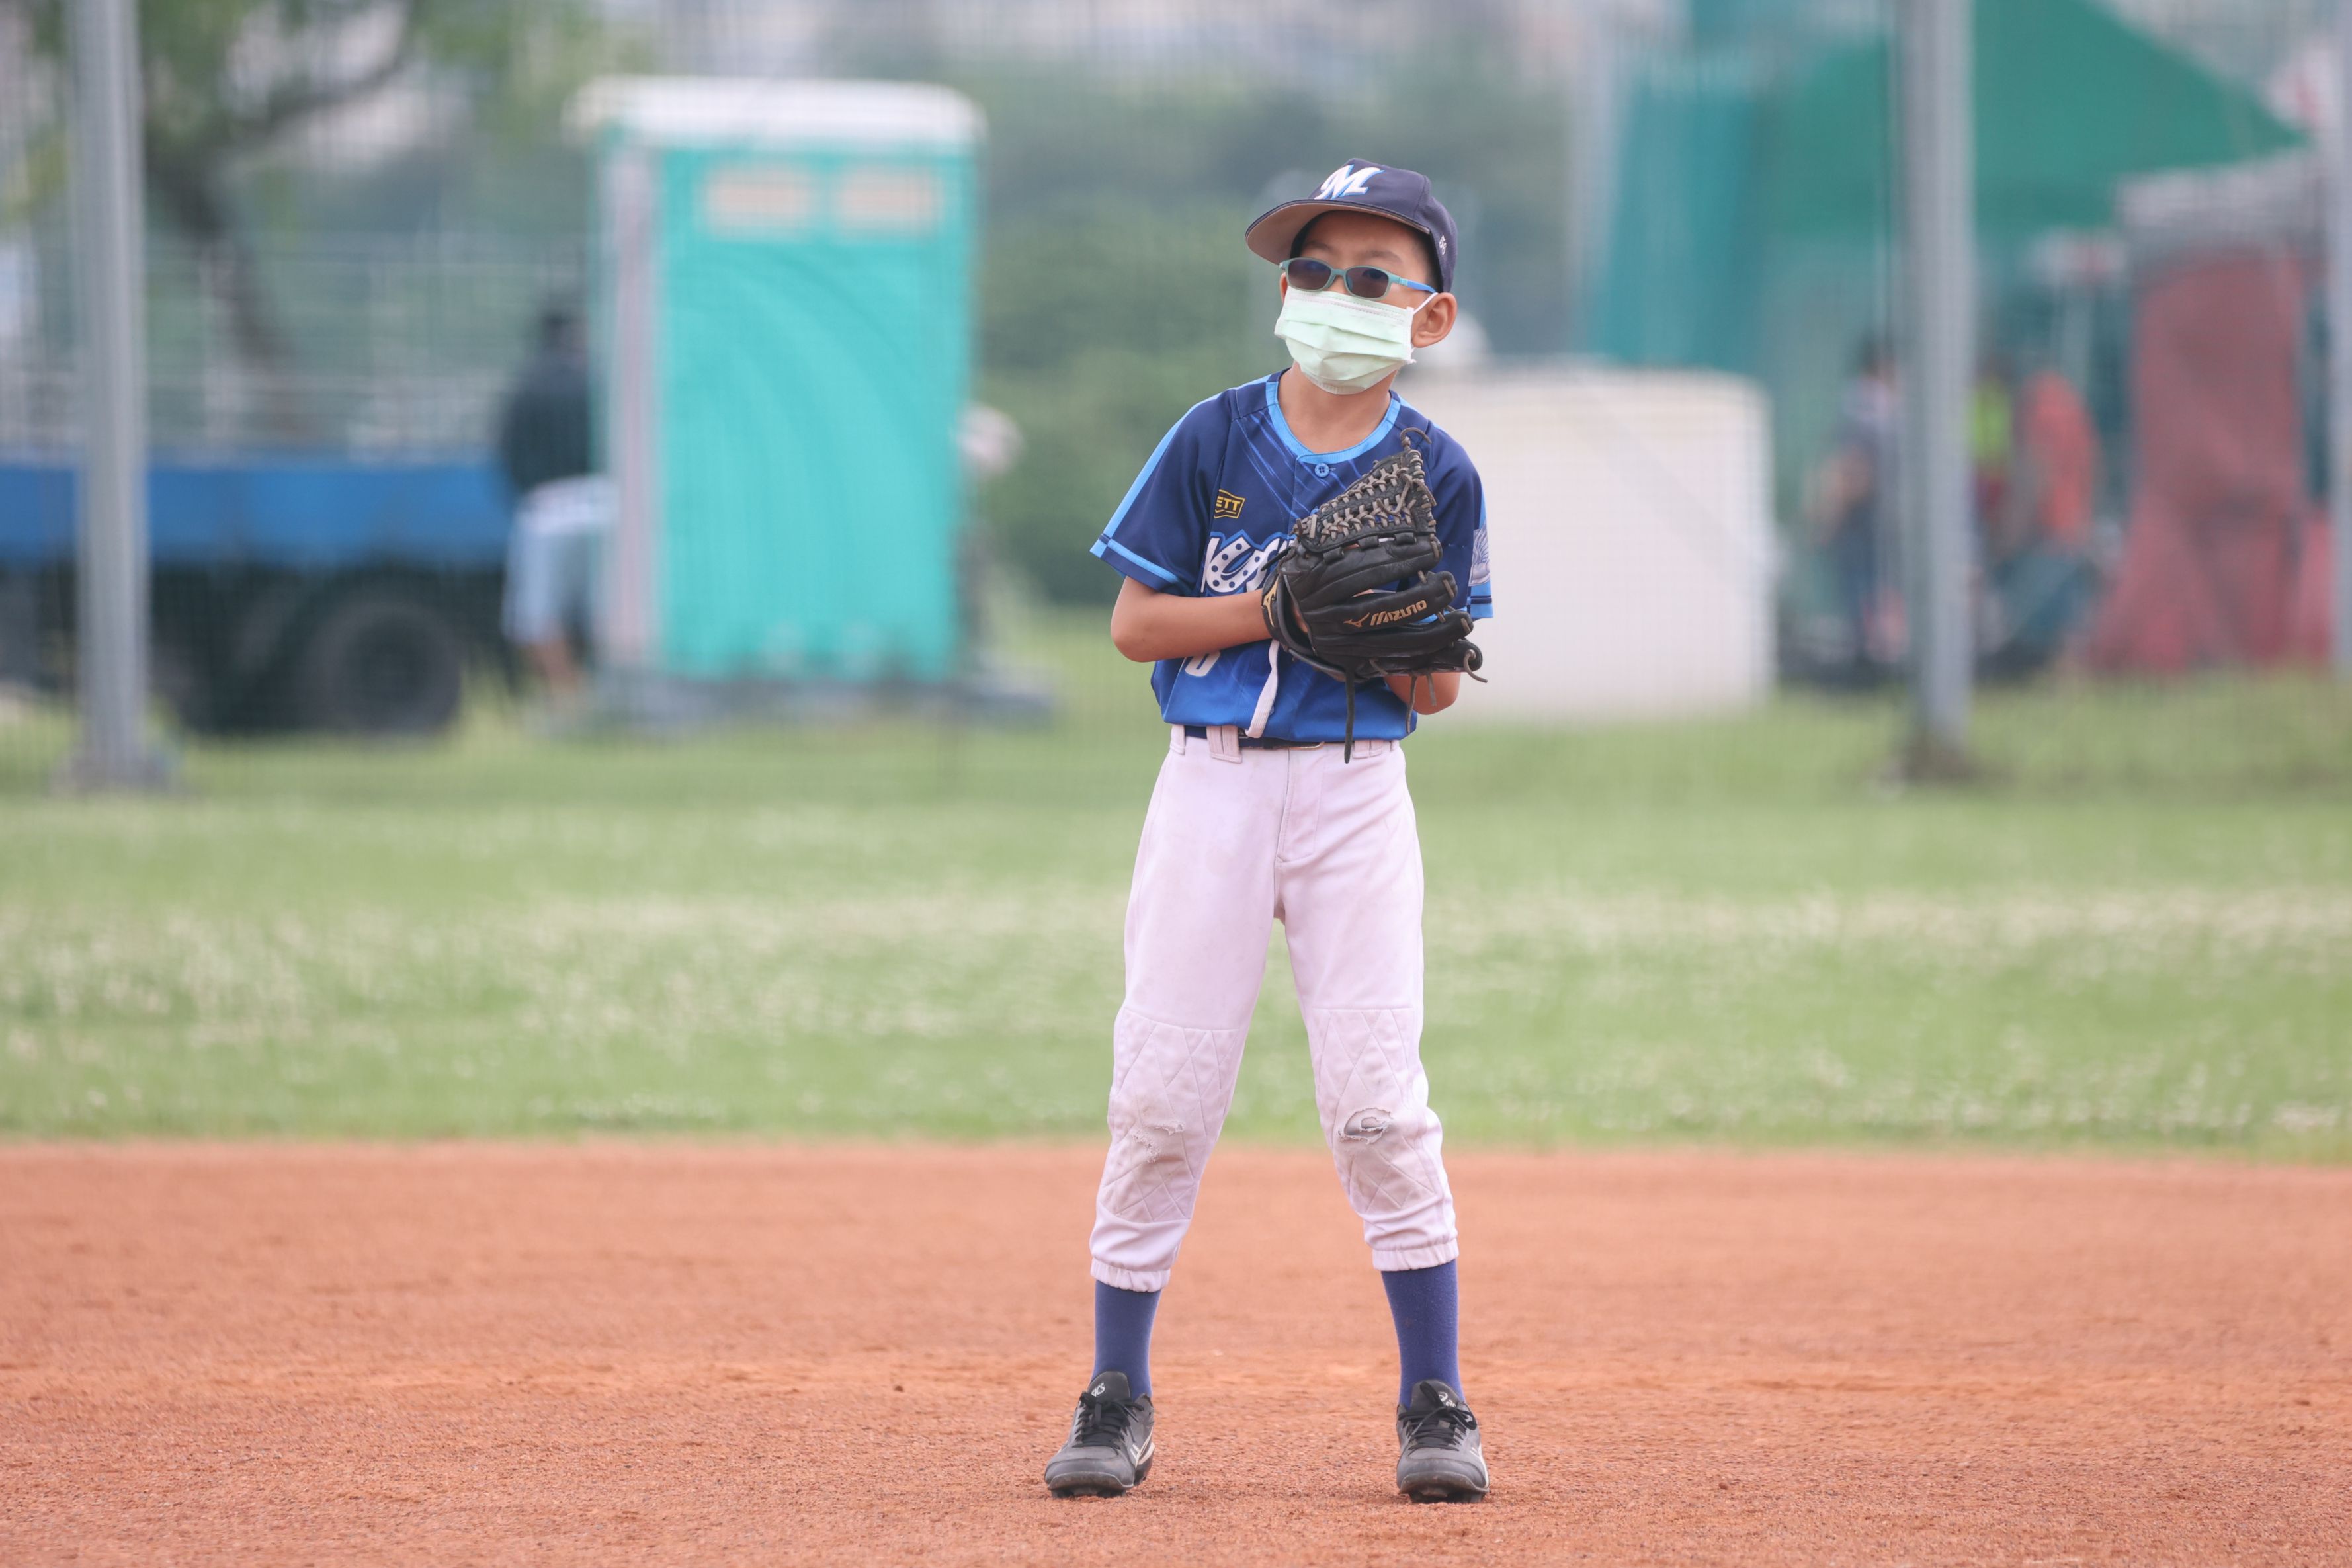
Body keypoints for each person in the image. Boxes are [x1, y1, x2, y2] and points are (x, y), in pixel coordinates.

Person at [1042, 162, 1494, 1505]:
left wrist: (1390, 635)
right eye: (1309, 270)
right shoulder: (1214, 435)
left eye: (1369, 278)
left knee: (1377, 1103)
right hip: (1212, 787)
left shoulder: (1437, 470)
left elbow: (1432, 689)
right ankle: (1115, 1393)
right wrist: (1276, 610)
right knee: (1161, 1094)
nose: (1331, 294)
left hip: (1355, 791)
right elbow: (1135, 626)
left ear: (1428, 317)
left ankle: (1435, 1403)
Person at [495, 303, 607, 701]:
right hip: (604, 503)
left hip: (548, 509)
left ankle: (569, 697)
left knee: (537, 616)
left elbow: (509, 456)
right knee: (604, 611)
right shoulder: (596, 384)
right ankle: (609, 693)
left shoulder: (528, 386)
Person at [1807, 335, 1900, 675]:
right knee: (1867, 594)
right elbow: (1852, 468)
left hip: (1872, 522)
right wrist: (1831, 515)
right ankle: (1869, 661)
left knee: (1868, 594)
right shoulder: (1867, 404)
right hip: (1866, 522)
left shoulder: (1871, 405)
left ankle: (1871, 657)